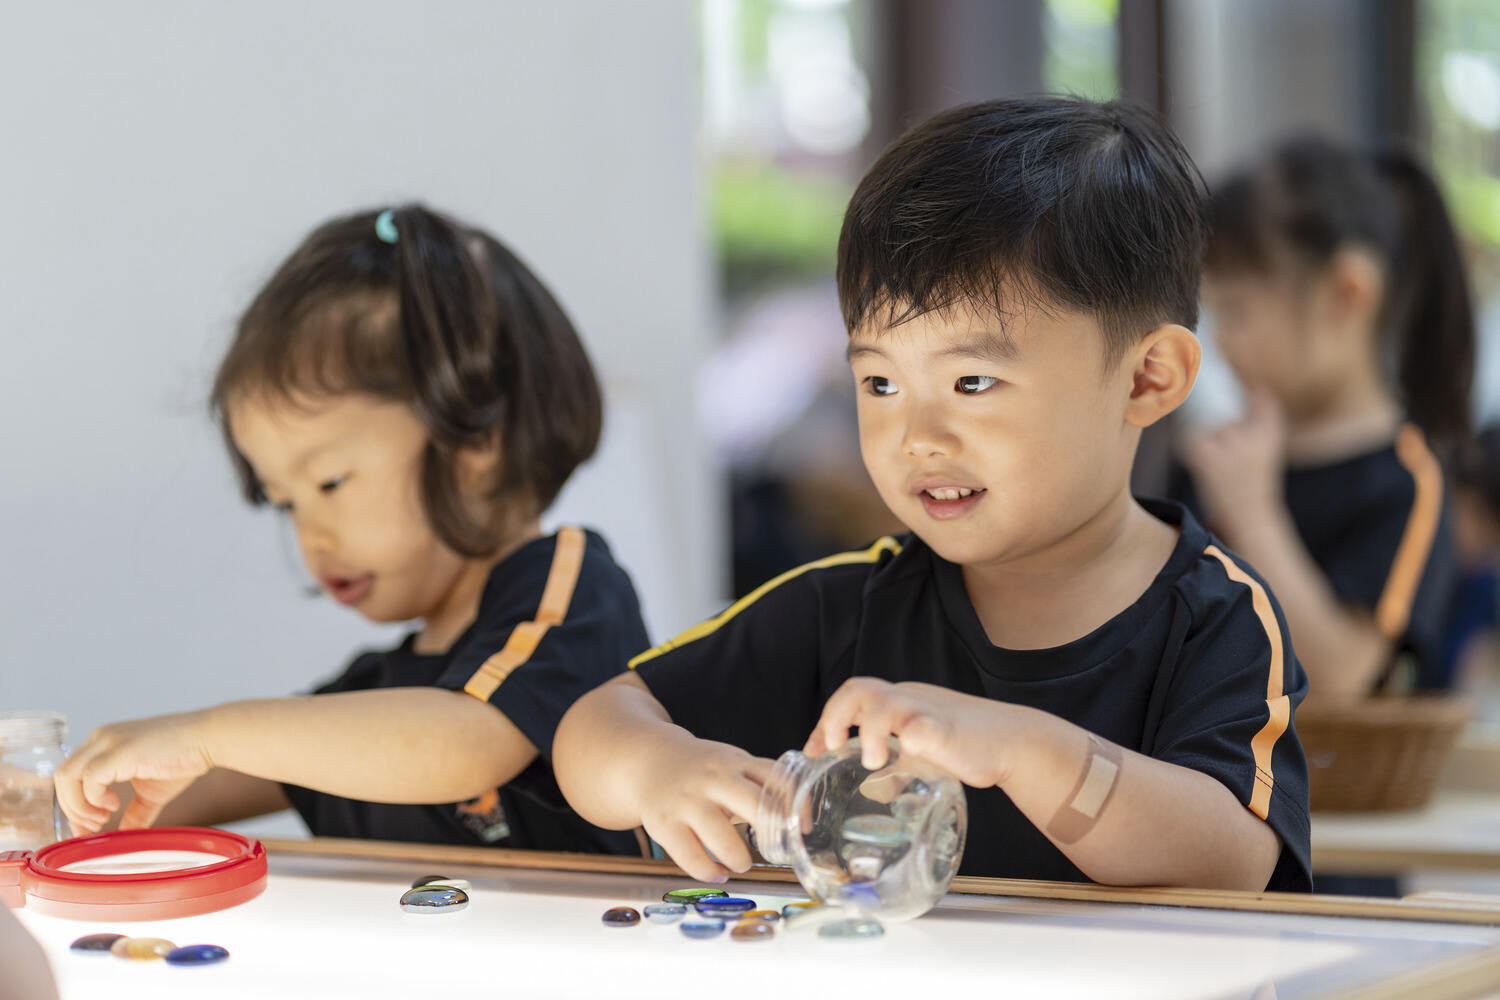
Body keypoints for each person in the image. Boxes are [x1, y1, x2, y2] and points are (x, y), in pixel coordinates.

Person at [554, 97, 1312, 892]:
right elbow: (596, 721)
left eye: (972, 381)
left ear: (1148, 377)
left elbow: (1231, 859)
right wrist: (658, 769)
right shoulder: (843, 609)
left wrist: (1021, 751)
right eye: (880, 381)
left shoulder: (1218, 616)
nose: (916, 435)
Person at [54, 205, 647, 856]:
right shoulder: (375, 694)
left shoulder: (567, 592)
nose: (312, 537)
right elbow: (170, 795)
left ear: (476, 444)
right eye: (285, 504)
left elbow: (467, 740)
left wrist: (209, 731)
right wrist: (50, 800)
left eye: (330, 484)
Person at [1175, 137, 1474, 698]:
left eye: (1237, 311)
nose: (1222, 344)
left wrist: (1252, 513)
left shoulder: (1406, 480)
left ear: (1347, 294)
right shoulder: (1220, 458)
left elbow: (1341, 679)